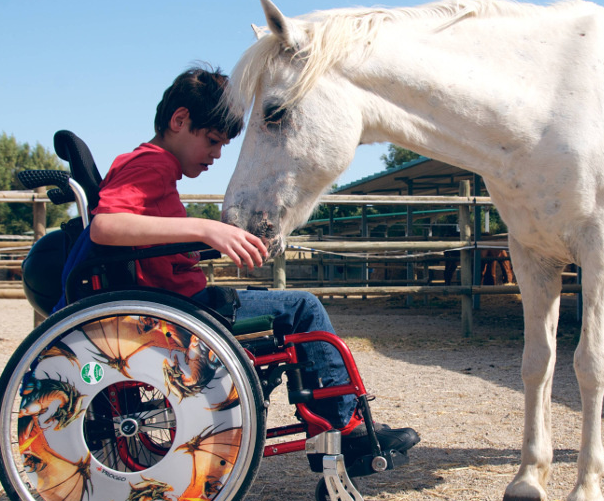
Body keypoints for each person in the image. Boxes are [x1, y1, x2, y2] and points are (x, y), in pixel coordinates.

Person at [88, 65, 419, 462]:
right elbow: (105, 227)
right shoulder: (151, 164)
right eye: (212, 140)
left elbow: (148, 238)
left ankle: (335, 424)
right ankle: (345, 426)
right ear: (180, 120)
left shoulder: (153, 167)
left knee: (288, 307)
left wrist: (197, 246)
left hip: (178, 303)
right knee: (303, 307)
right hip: (178, 310)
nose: (217, 154)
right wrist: (206, 230)